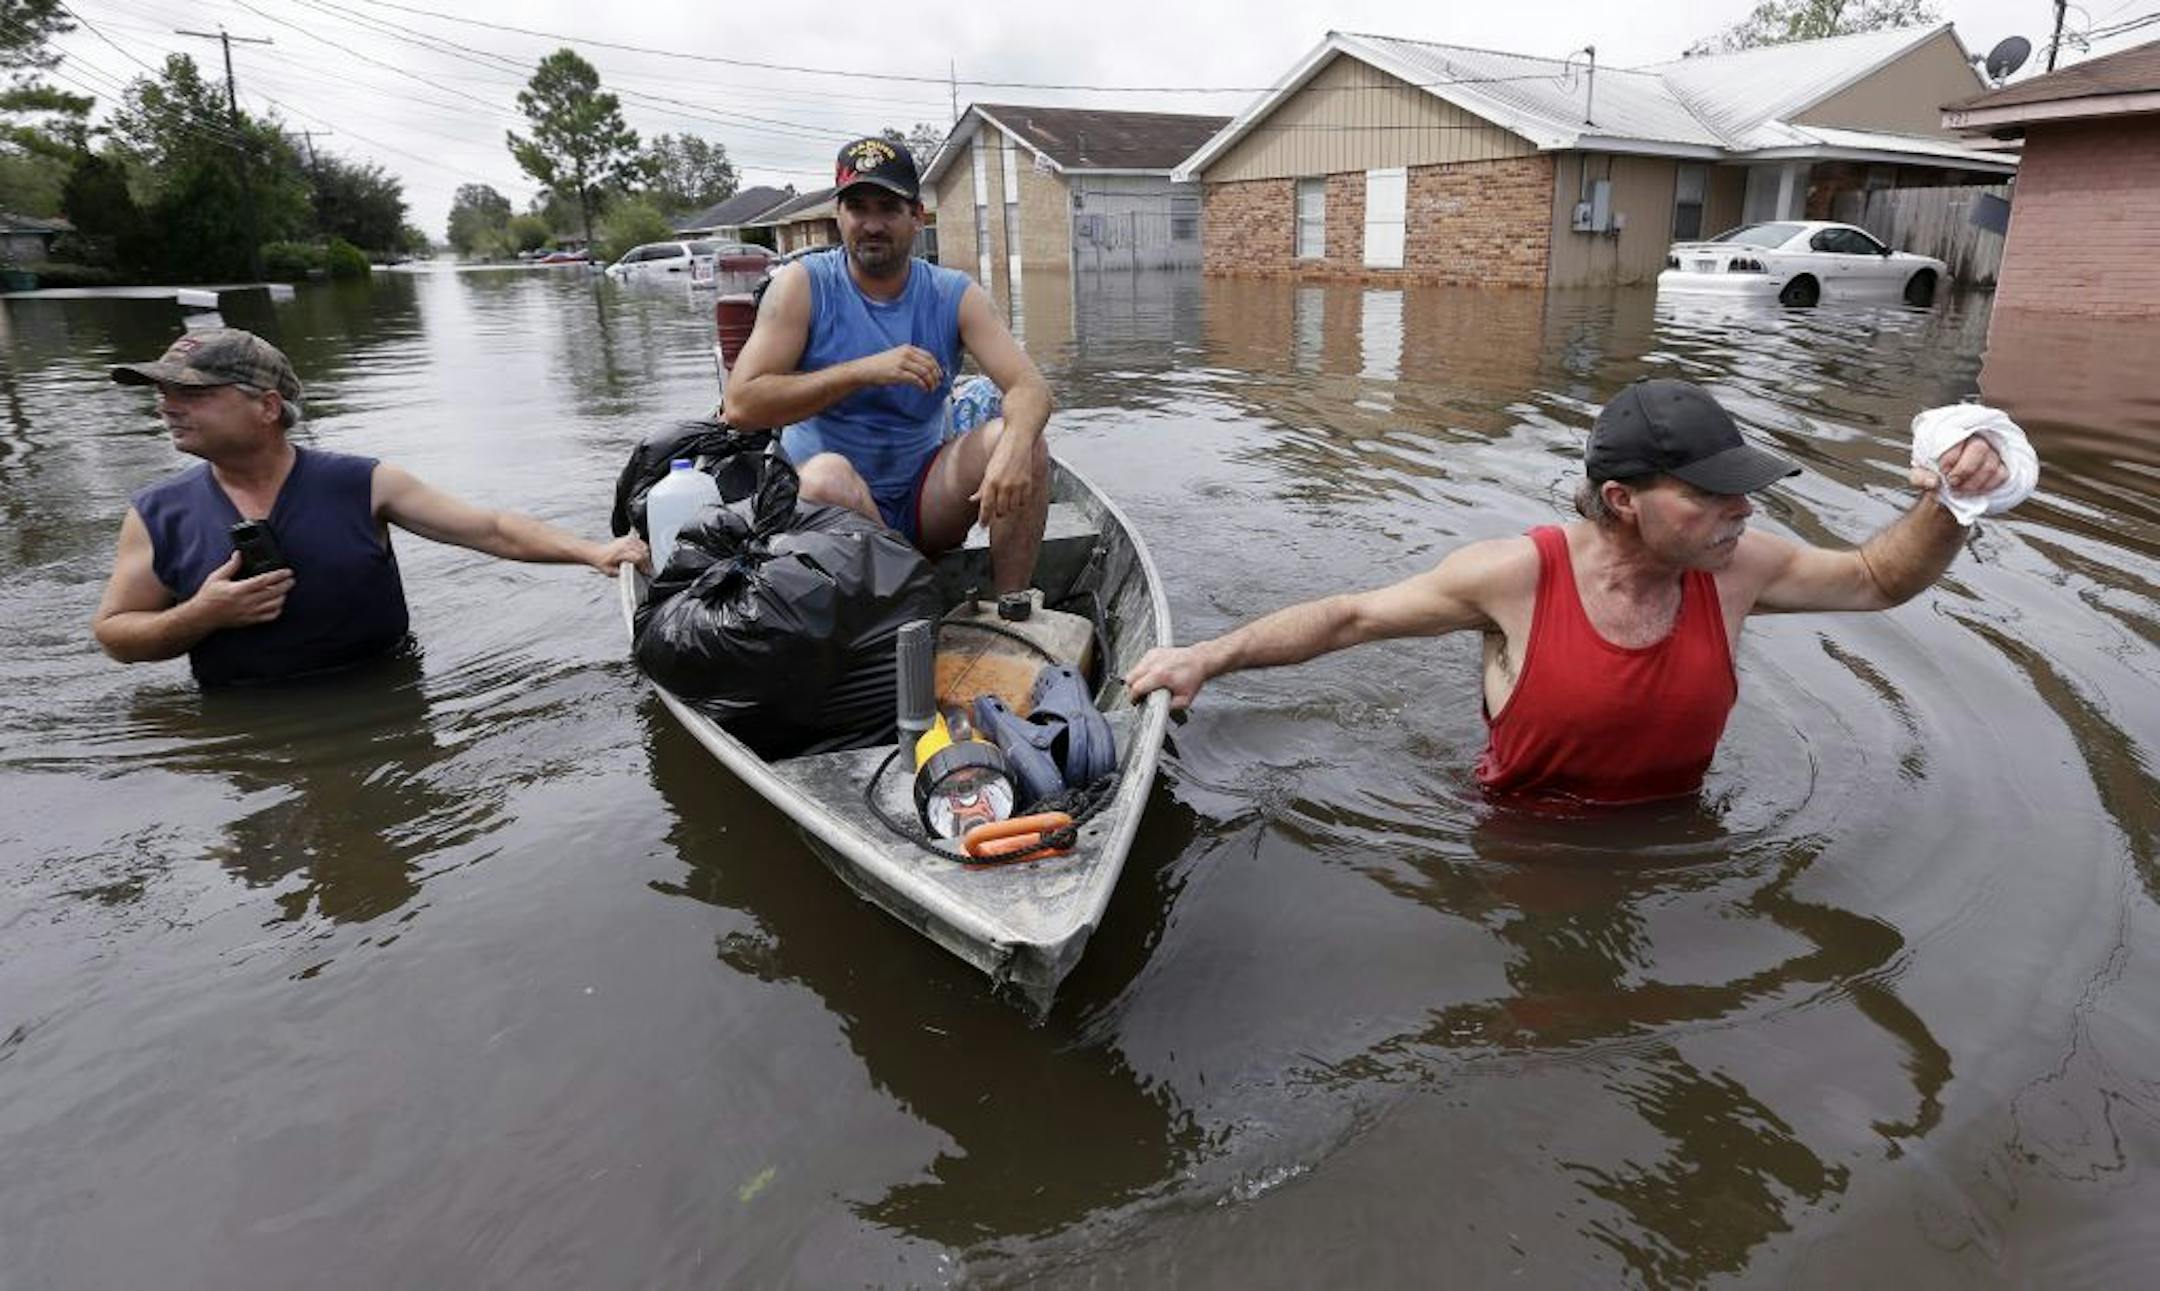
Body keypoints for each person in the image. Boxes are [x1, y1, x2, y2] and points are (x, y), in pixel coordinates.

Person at [1125, 378, 2019, 805]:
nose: (1744, 508)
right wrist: (1209, 655)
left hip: (1682, 838)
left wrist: (1955, 496)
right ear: (1625, 501)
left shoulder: (1740, 567)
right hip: (1523, 850)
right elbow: (1353, 616)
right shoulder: (1515, 577)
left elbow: (1874, 579)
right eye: (1711, 493)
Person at [92, 328, 647, 687]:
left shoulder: (364, 483)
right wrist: (203, 613)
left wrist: (594, 550)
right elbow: (116, 634)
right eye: (162, 394)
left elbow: (492, 530)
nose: (167, 407)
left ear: (265, 407)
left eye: (191, 394)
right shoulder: (155, 513)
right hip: (243, 720)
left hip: (384, 691)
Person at [721, 136, 1054, 594]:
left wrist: (1016, 447)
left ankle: (1010, 611)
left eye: (888, 208)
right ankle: (904, 601)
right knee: (826, 475)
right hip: (833, 514)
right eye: (858, 208)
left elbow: (1030, 388)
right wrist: (862, 371)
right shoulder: (802, 285)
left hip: (924, 501)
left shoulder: (954, 294)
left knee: (1026, 443)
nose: (872, 224)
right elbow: (741, 405)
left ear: (917, 216)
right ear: (839, 215)